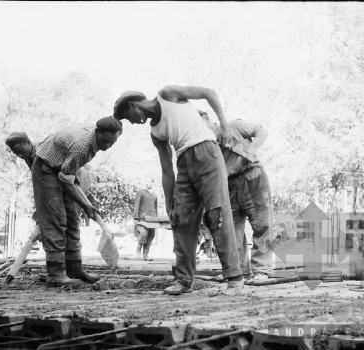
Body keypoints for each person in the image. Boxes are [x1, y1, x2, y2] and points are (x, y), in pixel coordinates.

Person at [113, 85, 244, 296]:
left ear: (132, 105)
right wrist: (169, 202)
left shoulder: (167, 95)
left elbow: (209, 93)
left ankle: (234, 278)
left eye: (129, 117)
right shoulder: (155, 132)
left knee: (217, 214)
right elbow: (166, 170)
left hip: (207, 153)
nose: (133, 122)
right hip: (183, 164)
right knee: (181, 220)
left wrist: (225, 125)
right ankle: (184, 280)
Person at [31, 117, 123, 287]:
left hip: (64, 168)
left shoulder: (92, 141)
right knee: (55, 219)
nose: (108, 146)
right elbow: (65, 179)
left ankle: (74, 270)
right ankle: (55, 274)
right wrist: (86, 204)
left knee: (72, 218)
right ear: (97, 132)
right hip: (47, 168)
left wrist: (85, 205)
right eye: (105, 140)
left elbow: (68, 175)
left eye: (113, 142)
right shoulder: (82, 147)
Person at [199, 110, 273, 281]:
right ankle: (238, 270)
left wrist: (253, 146)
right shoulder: (206, 146)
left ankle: (261, 270)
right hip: (228, 185)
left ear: (208, 119)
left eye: (200, 124)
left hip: (253, 177)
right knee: (231, 230)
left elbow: (262, 131)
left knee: (262, 225)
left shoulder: (234, 126)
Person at [133, 179, 158, 260]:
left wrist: (156, 218)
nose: (147, 183)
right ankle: (138, 250)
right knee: (144, 233)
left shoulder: (154, 194)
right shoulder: (141, 191)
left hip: (152, 219)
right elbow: (137, 204)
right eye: (146, 181)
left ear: (152, 183)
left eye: (149, 181)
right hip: (142, 218)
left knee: (151, 235)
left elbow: (155, 207)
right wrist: (136, 217)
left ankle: (146, 255)